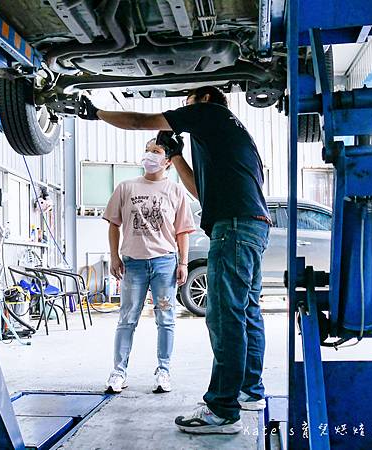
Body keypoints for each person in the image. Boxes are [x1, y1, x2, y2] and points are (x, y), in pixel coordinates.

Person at [78, 86, 270, 434]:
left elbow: (140, 120)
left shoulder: (210, 113)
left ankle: (223, 411)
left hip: (234, 227)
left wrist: (97, 114)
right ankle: (248, 392)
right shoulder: (227, 132)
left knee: (225, 316)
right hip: (252, 226)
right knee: (246, 313)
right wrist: (177, 155)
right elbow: (201, 191)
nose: (184, 110)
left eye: (188, 104)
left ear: (205, 100)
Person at [103, 137, 195, 395]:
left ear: (167, 160)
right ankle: (118, 372)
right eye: (147, 150)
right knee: (127, 319)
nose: (149, 155)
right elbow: (113, 224)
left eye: (156, 151)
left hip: (165, 263)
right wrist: (114, 256)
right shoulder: (126, 187)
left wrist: (183, 262)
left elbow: (182, 231)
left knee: (165, 318)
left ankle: (163, 370)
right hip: (133, 264)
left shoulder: (176, 191)